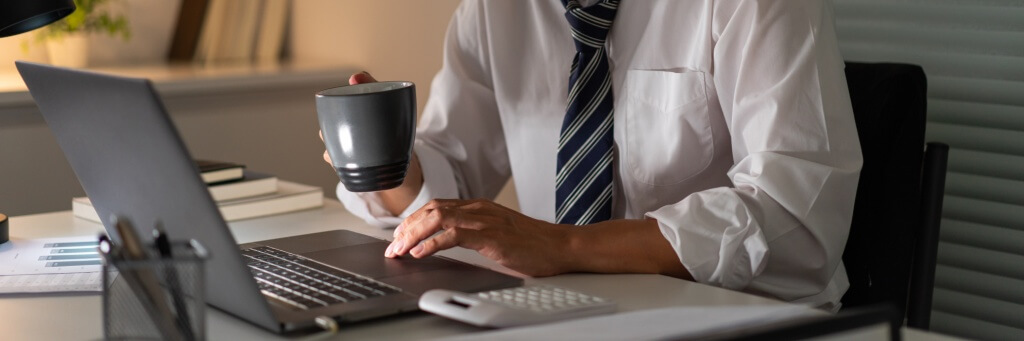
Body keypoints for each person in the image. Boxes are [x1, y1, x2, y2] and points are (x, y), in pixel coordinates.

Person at [322, 0, 862, 312]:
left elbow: (795, 216)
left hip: (738, 319)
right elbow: (451, 181)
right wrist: (385, 163)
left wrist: (565, 244)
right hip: (567, 314)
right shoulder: (493, 10)